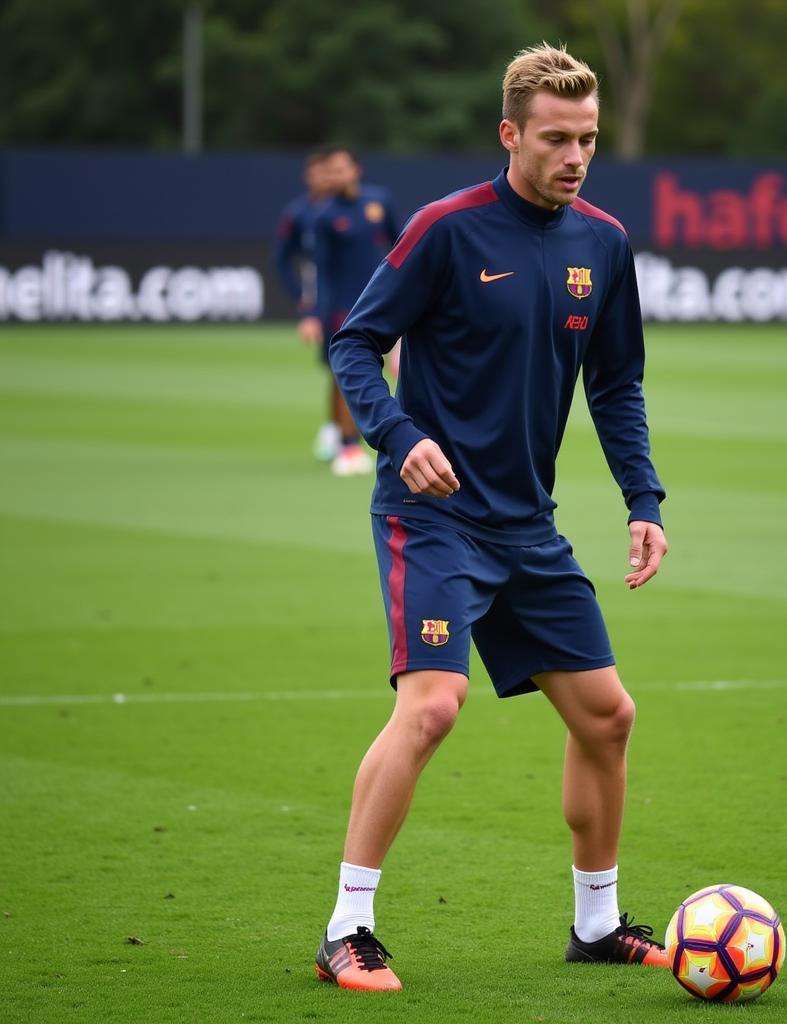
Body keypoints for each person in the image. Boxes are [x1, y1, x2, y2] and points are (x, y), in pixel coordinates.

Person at [314, 43, 669, 992]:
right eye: (557, 138)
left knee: (608, 716)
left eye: (588, 139)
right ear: (510, 133)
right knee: (432, 704)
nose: (575, 156)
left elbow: (618, 385)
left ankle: (596, 925)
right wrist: (397, 434)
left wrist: (644, 501)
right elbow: (355, 345)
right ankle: (347, 928)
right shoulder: (445, 229)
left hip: (528, 528)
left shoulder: (605, 241)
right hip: (432, 517)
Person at [301, 146, 400, 476]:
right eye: (331, 170)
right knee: (347, 374)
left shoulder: (379, 202)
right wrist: (315, 313)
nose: (336, 176)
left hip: (381, 300)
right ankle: (347, 443)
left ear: (356, 170)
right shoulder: (324, 215)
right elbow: (321, 269)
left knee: (395, 368)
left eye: (341, 169)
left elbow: (400, 244)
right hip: (342, 307)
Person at [273, 148, 333, 457]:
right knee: (337, 363)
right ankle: (338, 430)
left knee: (349, 362)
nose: (324, 177)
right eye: (318, 171)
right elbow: (282, 258)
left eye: (329, 170)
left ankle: (339, 430)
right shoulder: (298, 213)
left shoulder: (355, 207)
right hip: (323, 296)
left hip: (354, 292)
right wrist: (303, 299)